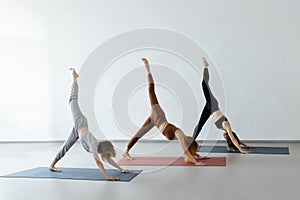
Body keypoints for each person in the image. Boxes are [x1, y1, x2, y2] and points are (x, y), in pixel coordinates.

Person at [49, 68, 131, 181]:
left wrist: (121, 169)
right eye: (107, 153)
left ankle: (52, 165)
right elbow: (98, 162)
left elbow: (108, 160)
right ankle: (74, 78)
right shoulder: (93, 144)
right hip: (80, 122)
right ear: (103, 149)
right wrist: (107, 176)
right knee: (72, 100)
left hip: (78, 130)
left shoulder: (100, 149)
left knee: (66, 147)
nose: (107, 156)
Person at [123, 58, 207, 165]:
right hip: (158, 119)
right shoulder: (180, 134)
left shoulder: (181, 135)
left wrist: (196, 159)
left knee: (139, 133)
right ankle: (147, 69)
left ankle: (126, 151)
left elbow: (186, 150)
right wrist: (196, 160)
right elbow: (186, 150)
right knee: (151, 91)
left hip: (156, 120)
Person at [192, 57, 252, 153]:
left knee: (199, 126)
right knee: (204, 83)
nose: (224, 136)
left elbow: (236, 139)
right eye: (226, 136)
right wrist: (242, 150)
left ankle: (191, 143)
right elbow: (233, 139)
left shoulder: (226, 129)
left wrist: (246, 145)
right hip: (213, 105)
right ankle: (206, 67)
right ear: (229, 135)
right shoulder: (227, 125)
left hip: (209, 109)